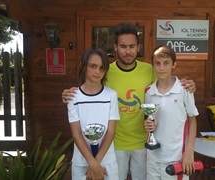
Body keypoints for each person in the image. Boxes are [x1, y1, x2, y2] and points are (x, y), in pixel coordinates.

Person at [62, 23, 197, 180]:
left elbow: (166, 82)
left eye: (132, 46)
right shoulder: (106, 70)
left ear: (138, 47)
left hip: (143, 145)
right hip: (115, 145)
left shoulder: (149, 70)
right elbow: (90, 90)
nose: (128, 51)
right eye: (123, 46)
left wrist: (188, 84)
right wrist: (70, 94)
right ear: (115, 47)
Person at [143, 45, 198, 180]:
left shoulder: (184, 89)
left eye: (166, 63)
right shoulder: (149, 92)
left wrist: (189, 152)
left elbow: (192, 120)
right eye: (157, 63)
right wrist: (148, 127)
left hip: (177, 158)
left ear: (174, 64)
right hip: (153, 159)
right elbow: (149, 121)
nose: (161, 68)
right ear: (153, 65)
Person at [67, 47, 120, 180]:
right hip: (82, 162)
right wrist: (92, 163)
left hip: (106, 161)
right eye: (93, 66)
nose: (97, 72)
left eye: (102, 68)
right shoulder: (73, 97)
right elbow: (76, 133)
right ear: (83, 66)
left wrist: (97, 164)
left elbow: (111, 131)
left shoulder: (111, 95)